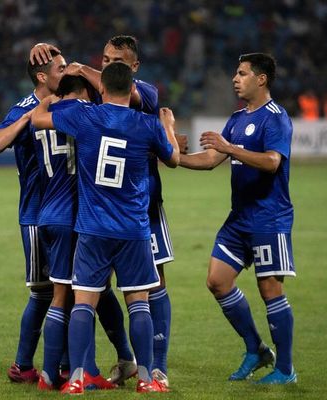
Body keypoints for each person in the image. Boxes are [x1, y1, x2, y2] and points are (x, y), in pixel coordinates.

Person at [31, 35, 187, 387]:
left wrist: (52, 99)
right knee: (140, 302)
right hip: (134, 227)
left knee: (84, 302)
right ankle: (148, 377)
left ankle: (74, 379)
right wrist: (169, 129)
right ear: (129, 84)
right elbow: (174, 159)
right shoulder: (147, 125)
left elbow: (39, 120)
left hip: (92, 227)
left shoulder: (85, 116)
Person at [178, 53, 297, 384]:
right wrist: (174, 157)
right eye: (235, 72)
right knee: (217, 281)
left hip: (269, 218)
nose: (235, 78)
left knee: (270, 289)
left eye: (242, 73)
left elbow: (273, 161)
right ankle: (256, 349)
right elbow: (211, 158)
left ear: (261, 79)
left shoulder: (276, 118)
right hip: (239, 218)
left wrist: (231, 149)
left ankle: (285, 369)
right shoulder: (236, 118)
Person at [0, 50, 66, 384]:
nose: (68, 70)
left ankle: (64, 366)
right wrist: (27, 119)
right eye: (61, 68)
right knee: (43, 292)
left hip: (68, 213)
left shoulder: (72, 101)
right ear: (42, 77)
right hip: (36, 214)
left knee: (70, 290)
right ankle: (23, 365)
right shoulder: (22, 109)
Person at [32, 75, 116, 391]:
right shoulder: (82, 114)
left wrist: (46, 100)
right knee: (77, 295)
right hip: (72, 217)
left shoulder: (43, 119)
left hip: (46, 214)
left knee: (63, 294)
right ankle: (54, 375)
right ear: (82, 91)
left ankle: (70, 371)